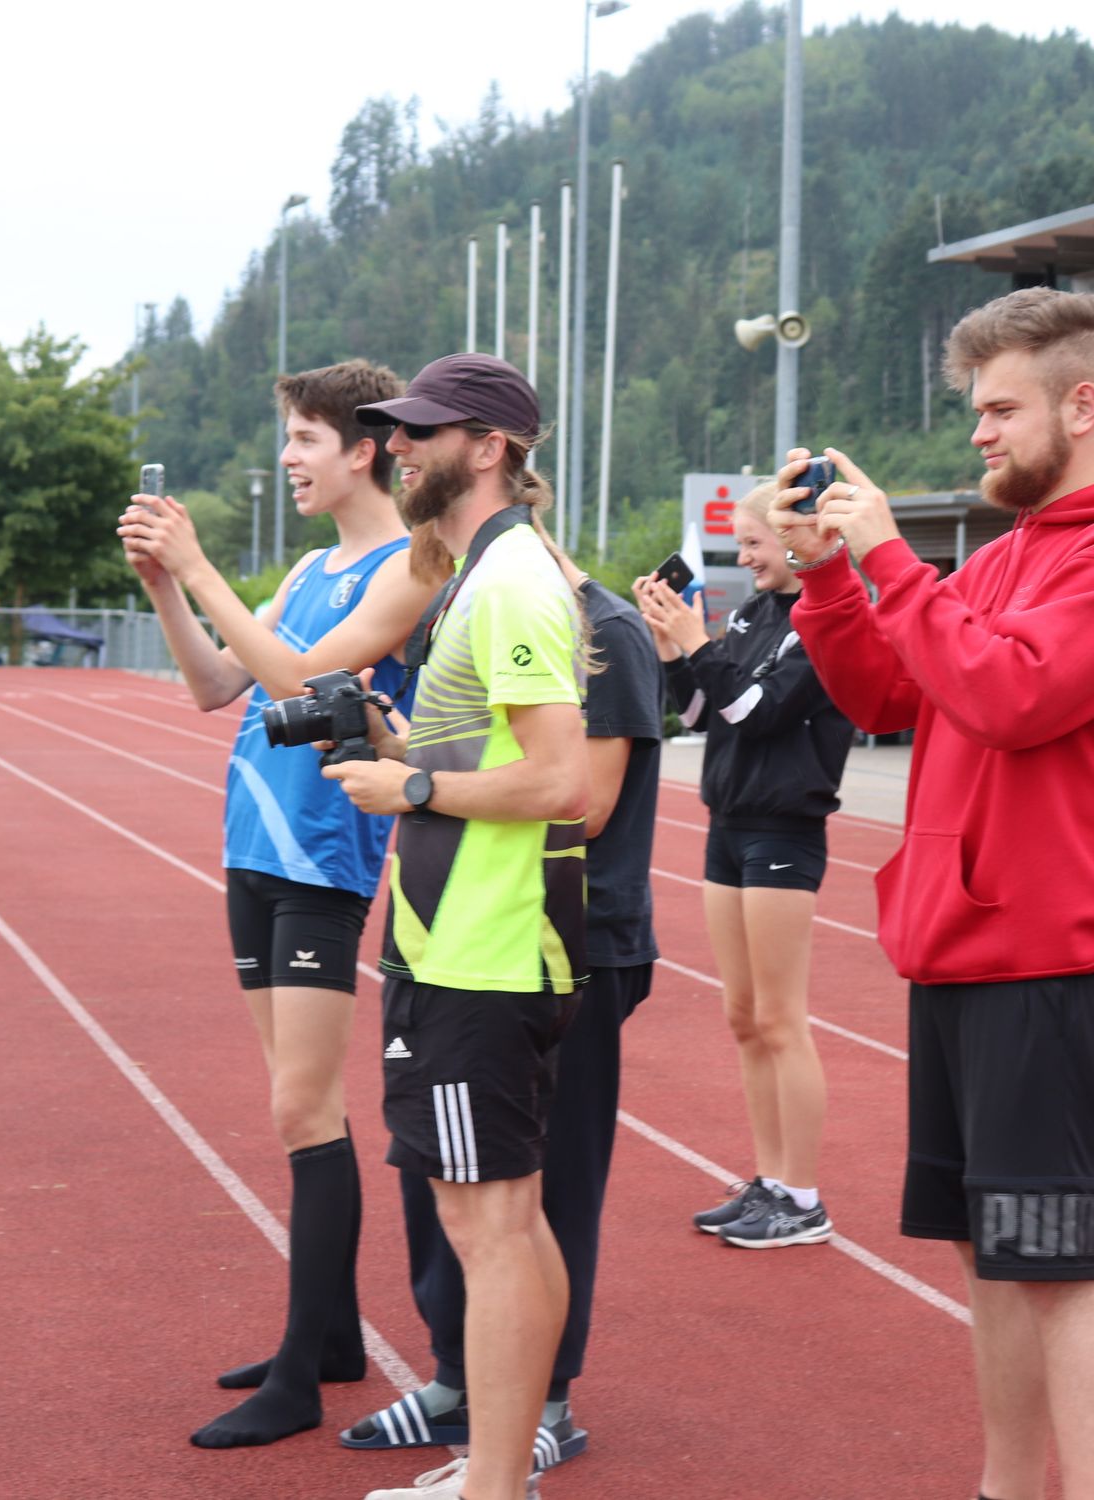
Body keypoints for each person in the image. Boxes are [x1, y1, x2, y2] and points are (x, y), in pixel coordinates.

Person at [774, 287, 1094, 1500]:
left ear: (1084, 406)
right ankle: (1008, 1485)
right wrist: (827, 580)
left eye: (1000, 409)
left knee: (1061, 1260)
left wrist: (892, 562)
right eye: (976, 410)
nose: (979, 432)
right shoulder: (1010, 552)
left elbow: (1013, 697)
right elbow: (893, 696)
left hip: (1054, 947)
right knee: (991, 1247)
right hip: (965, 939)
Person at [117, 361, 439, 1450]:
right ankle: (332, 1333)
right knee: (295, 1105)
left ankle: (304, 1374)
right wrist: (166, 582)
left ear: (365, 449)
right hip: (253, 853)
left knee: (305, 1109)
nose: (289, 459)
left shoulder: (411, 567)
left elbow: (301, 683)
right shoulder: (308, 563)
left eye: (305, 439)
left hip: (322, 862)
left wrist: (201, 565)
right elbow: (218, 687)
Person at [326, 354, 589, 1500]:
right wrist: (408, 756)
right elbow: (499, 757)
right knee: (508, 1225)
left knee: (489, 1230)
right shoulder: (483, 572)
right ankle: (495, 1469)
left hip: (484, 952)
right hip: (461, 941)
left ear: (489, 449)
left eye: (423, 434)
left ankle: (492, 1483)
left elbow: (559, 780)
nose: (401, 449)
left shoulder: (515, 580)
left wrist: (413, 793)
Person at [378, 546, 662, 1479]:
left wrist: (419, 786)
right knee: (474, 1194)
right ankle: (468, 1384)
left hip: (569, 938)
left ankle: (545, 1406)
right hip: (494, 927)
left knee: (545, 1189)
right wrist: (405, 753)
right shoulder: (485, 604)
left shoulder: (603, 630)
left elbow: (581, 805)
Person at [636, 484, 853, 1249]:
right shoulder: (756, 615)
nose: (744, 558)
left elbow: (756, 714)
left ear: (796, 544)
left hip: (784, 830)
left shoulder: (825, 621)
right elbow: (700, 716)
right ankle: (769, 1182)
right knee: (742, 1016)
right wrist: (672, 644)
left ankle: (803, 1197)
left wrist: (698, 645)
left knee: (780, 1018)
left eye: (755, 544)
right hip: (728, 824)